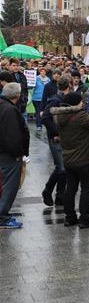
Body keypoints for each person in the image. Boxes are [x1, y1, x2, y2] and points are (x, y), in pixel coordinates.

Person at [52, 92, 89, 228]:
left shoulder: (59, 116)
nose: (83, 103)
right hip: (85, 159)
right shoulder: (80, 116)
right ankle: (85, 218)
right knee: (86, 189)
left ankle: (70, 217)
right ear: (77, 103)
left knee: (70, 188)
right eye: (81, 102)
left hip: (69, 158)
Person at [41, 74, 72, 207]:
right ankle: (47, 191)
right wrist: (56, 133)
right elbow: (45, 118)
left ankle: (60, 196)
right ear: (69, 86)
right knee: (61, 168)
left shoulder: (68, 99)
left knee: (65, 169)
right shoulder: (55, 100)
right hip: (56, 138)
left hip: (67, 138)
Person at [0, 83, 28, 229]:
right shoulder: (9, 109)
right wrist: (18, 154)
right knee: (9, 186)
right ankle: (2, 217)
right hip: (8, 154)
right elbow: (12, 136)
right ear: (17, 95)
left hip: (3, 152)